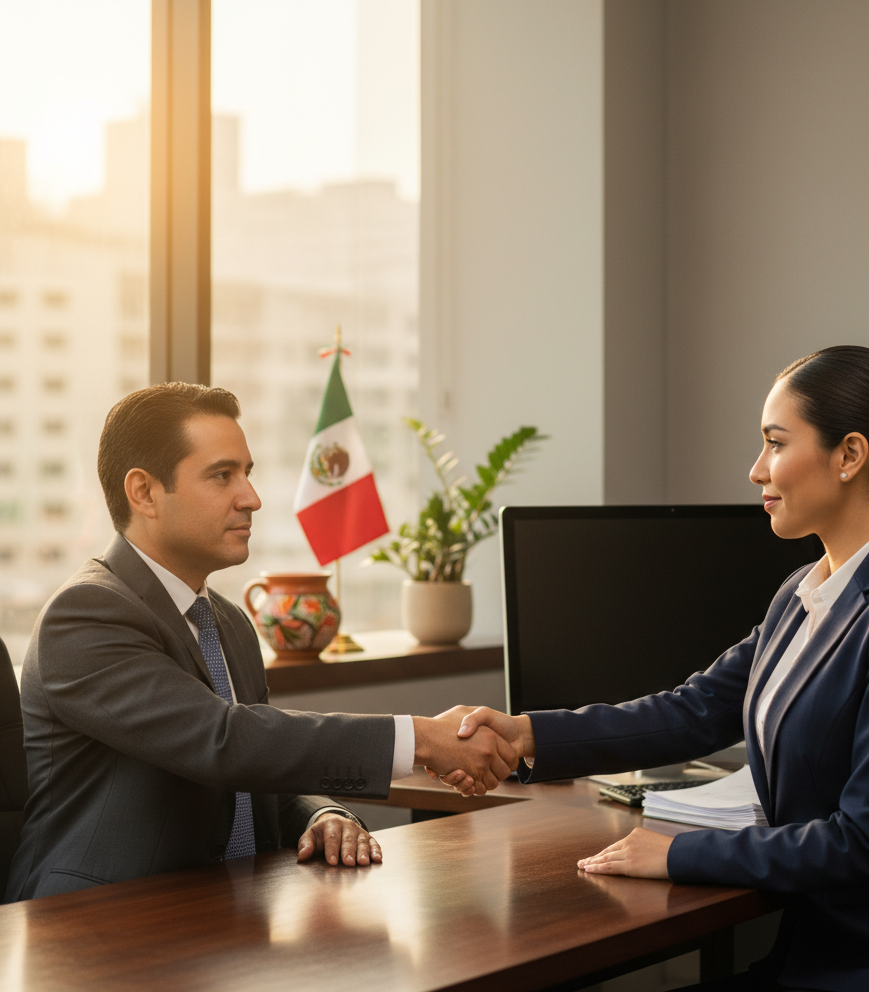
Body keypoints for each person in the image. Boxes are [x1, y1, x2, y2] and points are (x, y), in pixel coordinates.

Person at [438, 347, 869, 992]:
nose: (756, 469)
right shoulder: (803, 591)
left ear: (850, 455)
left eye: (775, 443)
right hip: (823, 953)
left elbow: (866, 842)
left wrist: (680, 852)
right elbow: (697, 709)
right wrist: (529, 732)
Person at [5, 383, 517, 903]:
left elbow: (259, 766)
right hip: (91, 926)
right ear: (144, 492)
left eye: (248, 473)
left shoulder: (227, 622)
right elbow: (223, 742)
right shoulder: (86, 615)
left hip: (221, 914)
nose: (252, 497)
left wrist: (321, 812)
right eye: (222, 475)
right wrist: (423, 738)